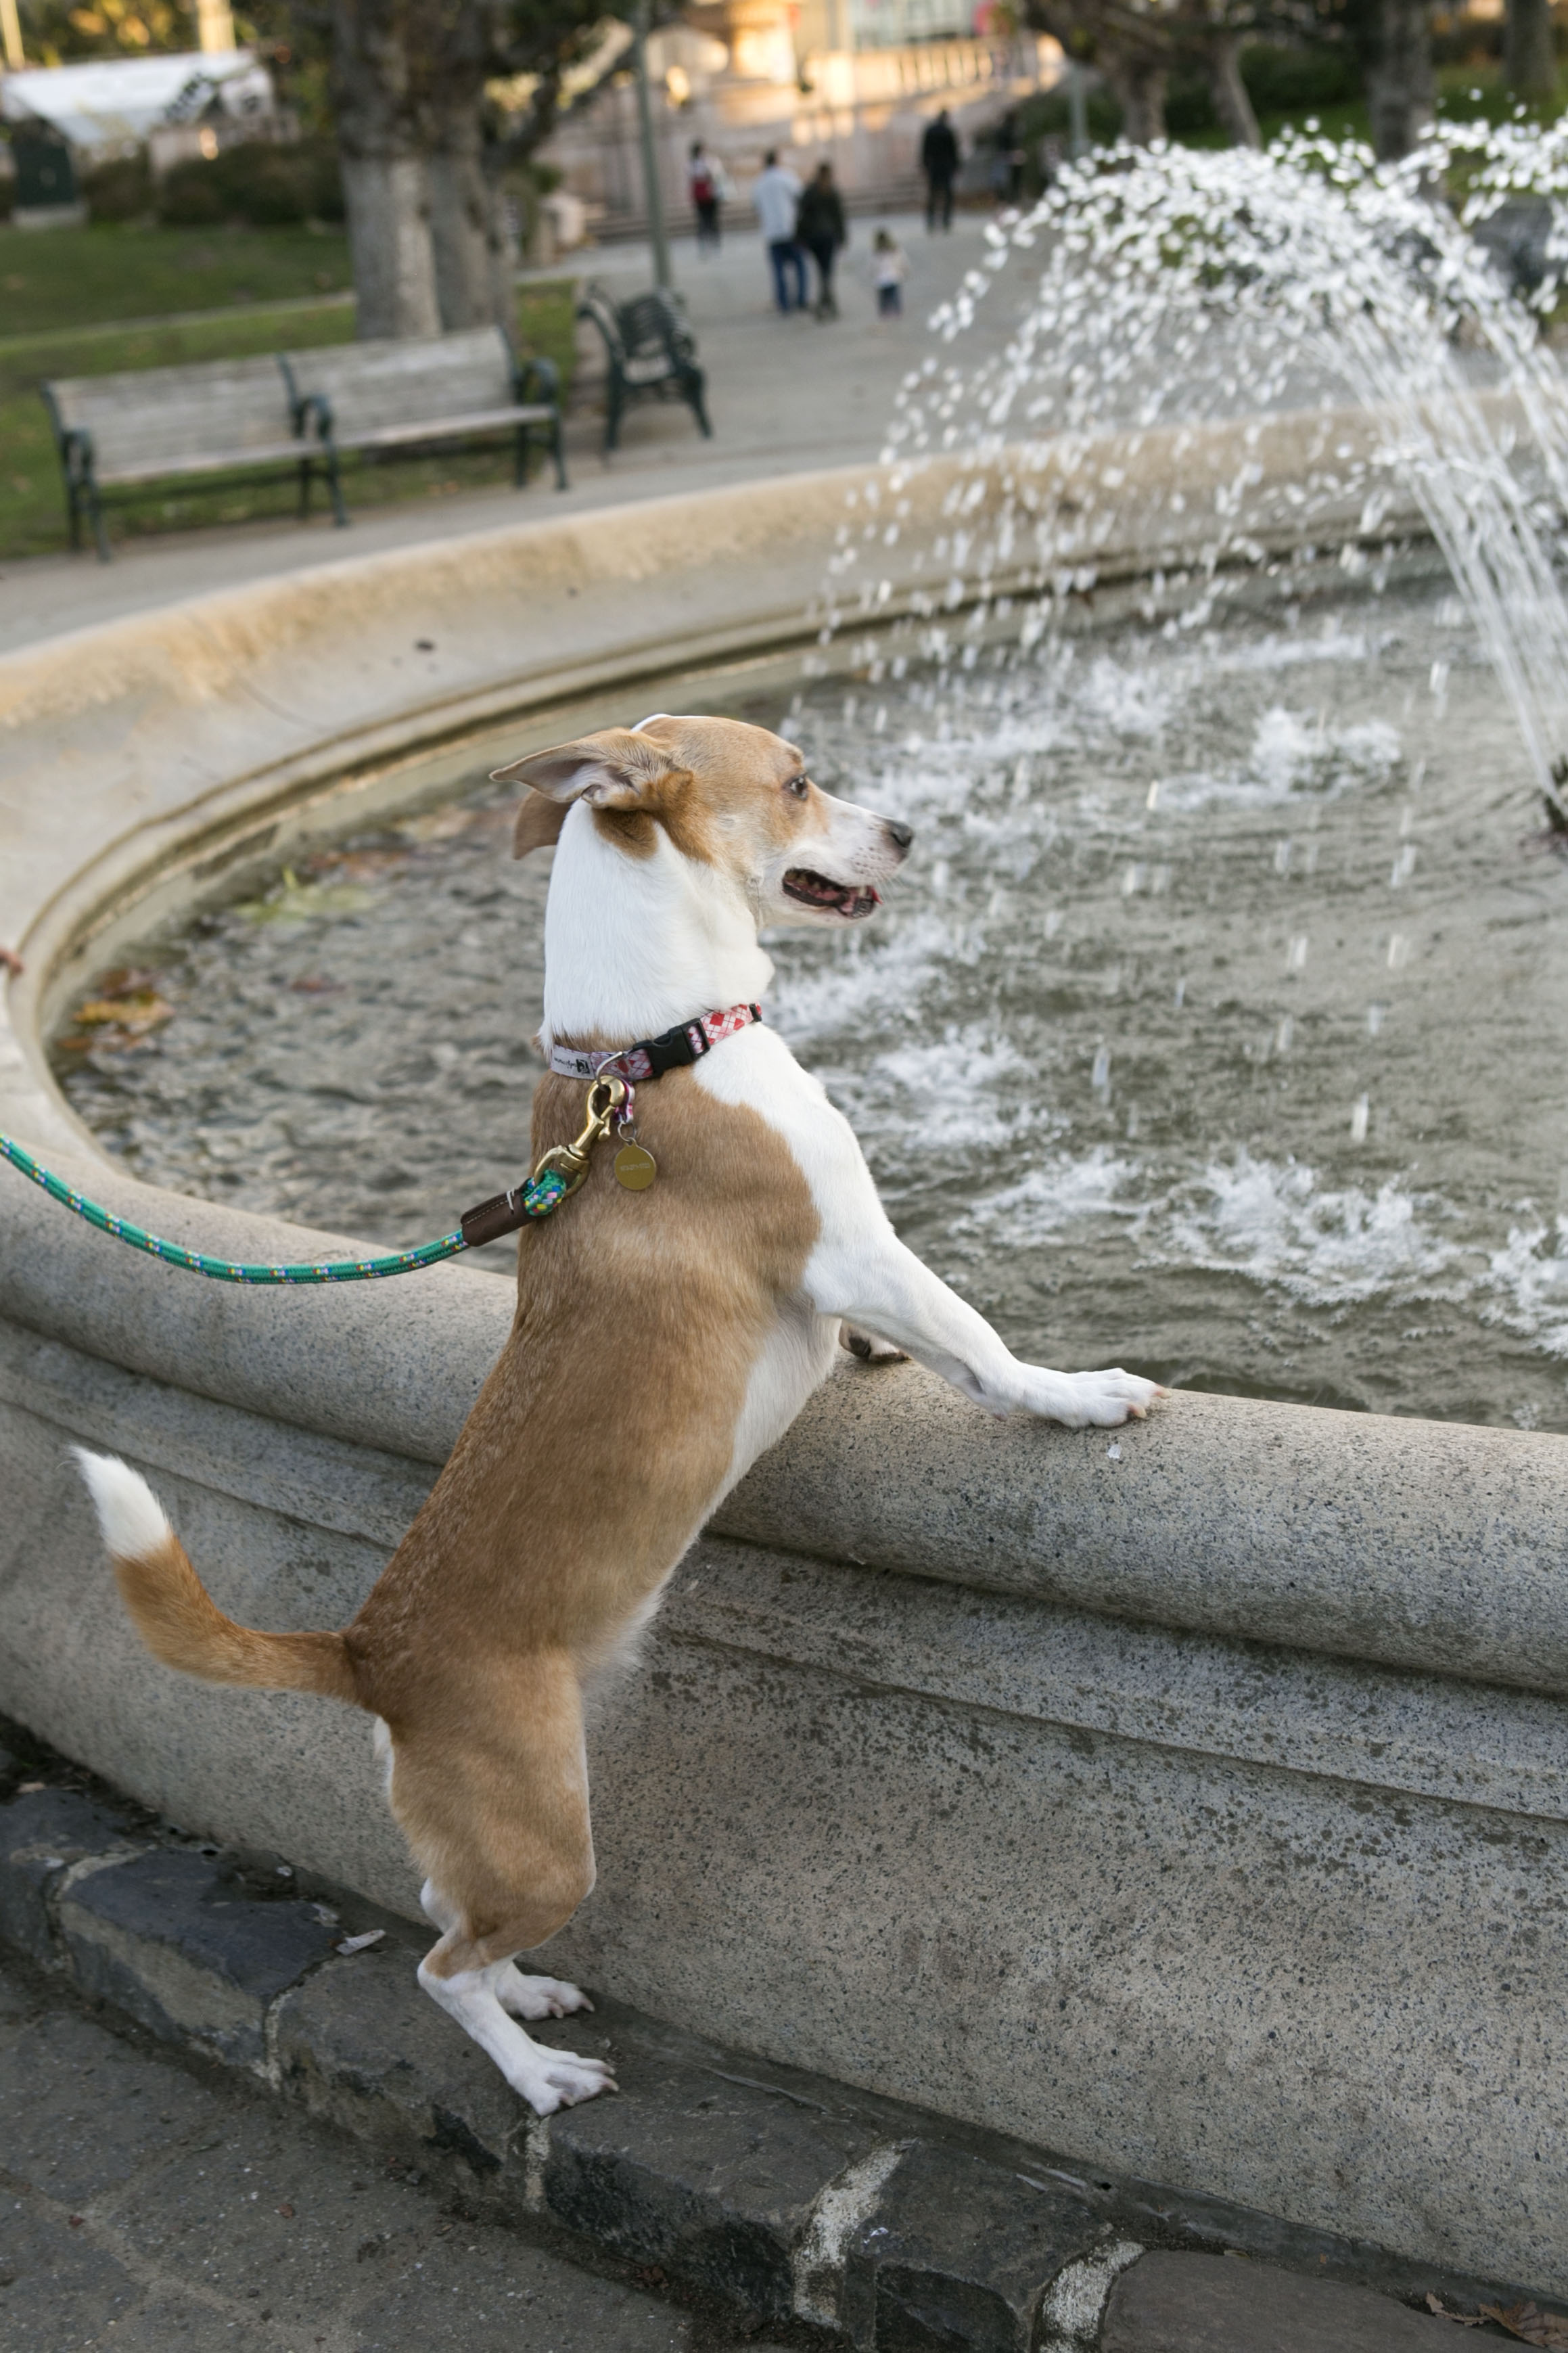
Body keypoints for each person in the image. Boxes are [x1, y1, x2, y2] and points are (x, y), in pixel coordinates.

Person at [752, 149, 806, 314]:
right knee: (800, 266)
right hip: (790, 229)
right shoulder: (786, 177)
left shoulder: (759, 183)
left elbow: (756, 206)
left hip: (772, 232)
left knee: (778, 271)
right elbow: (800, 196)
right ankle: (801, 299)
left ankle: (783, 303)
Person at [796, 159, 847, 320]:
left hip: (814, 237)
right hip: (827, 236)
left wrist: (799, 236)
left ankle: (825, 302)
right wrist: (842, 237)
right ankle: (827, 302)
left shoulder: (811, 190)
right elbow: (839, 217)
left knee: (823, 270)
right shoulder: (831, 191)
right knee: (826, 271)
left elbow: (801, 215)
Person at [921, 108, 959, 233]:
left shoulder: (930, 131)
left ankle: (931, 220)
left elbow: (925, 151)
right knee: (947, 194)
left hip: (934, 166)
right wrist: (956, 166)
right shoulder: (948, 131)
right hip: (945, 166)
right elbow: (954, 151)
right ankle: (945, 220)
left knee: (933, 193)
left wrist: (925, 165)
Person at [688, 141, 722, 253]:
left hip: (703, 195)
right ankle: (710, 241)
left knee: (707, 219)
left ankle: (710, 241)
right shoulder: (701, 163)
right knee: (707, 219)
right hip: (706, 194)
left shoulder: (693, 164)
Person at [873, 225, 906, 319]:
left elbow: (872, 265)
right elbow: (902, 261)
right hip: (890, 278)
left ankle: (887, 312)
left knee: (886, 298)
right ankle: (894, 312)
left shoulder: (878, 252)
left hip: (886, 278)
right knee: (892, 297)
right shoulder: (893, 250)